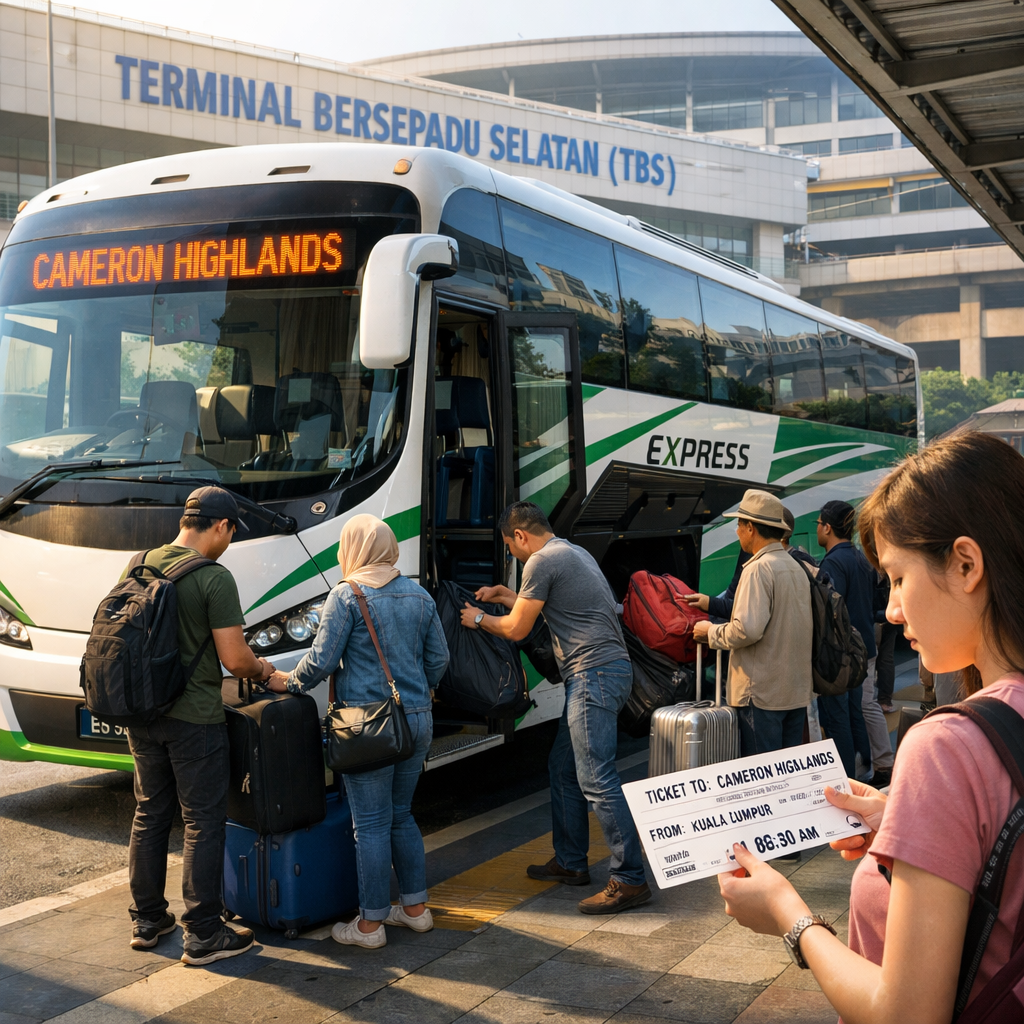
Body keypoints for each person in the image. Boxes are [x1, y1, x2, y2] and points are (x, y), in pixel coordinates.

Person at [716, 431, 1024, 1024]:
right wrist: (903, 815)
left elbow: (905, 1013)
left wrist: (788, 914)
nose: (891, 609)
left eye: (900, 579)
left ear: (966, 564)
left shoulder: (948, 745)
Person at [459, 501, 651, 914]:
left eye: (510, 545)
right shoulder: (571, 551)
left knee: (598, 778)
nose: (512, 553)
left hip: (592, 677)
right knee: (564, 769)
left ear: (521, 536)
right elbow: (542, 603)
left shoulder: (541, 562)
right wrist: (505, 595)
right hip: (608, 672)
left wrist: (476, 619)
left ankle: (630, 878)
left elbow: (516, 628)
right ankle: (569, 863)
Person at [266, 515, 448, 949]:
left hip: (369, 727)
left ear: (352, 549)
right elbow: (438, 660)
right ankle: (416, 910)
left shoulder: (346, 595)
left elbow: (322, 660)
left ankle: (369, 926)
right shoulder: (419, 595)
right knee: (401, 815)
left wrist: (287, 682)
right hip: (416, 720)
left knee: (370, 824)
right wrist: (415, 690)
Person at [126, 486, 273, 965]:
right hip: (194, 719)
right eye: (231, 532)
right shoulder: (214, 577)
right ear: (223, 526)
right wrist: (264, 671)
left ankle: (148, 921)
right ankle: (205, 933)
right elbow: (235, 659)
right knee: (202, 823)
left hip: (141, 713)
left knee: (149, 813)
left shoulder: (139, 562)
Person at [691, 490, 813, 774]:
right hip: (794, 692)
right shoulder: (794, 566)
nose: (736, 532)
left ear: (750, 528)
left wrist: (710, 632)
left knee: (763, 781)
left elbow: (746, 630)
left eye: (738, 525)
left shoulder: (758, 569)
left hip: (762, 696)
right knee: (788, 778)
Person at [817, 500, 894, 788]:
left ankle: (858, 773)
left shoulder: (834, 562)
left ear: (827, 527)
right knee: (861, 708)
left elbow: (832, 610)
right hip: (865, 647)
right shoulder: (860, 557)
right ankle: (871, 766)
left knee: (849, 712)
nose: (818, 531)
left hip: (846, 653)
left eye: (819, 525)